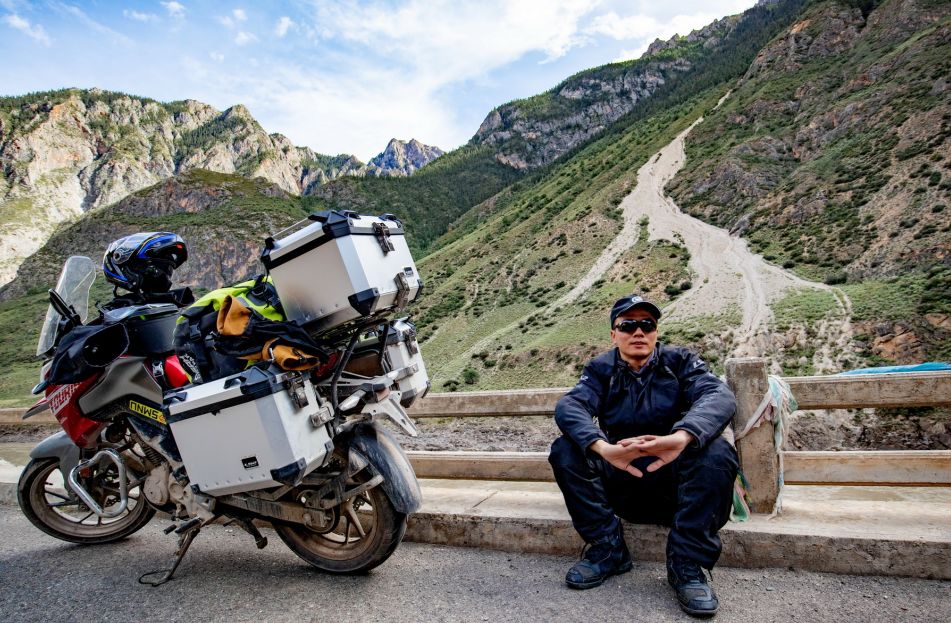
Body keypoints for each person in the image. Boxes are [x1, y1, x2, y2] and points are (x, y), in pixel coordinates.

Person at [548, 294, 739, 617]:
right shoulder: (600, 370)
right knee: (565, 450)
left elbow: (717, 395)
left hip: (676, 490)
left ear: (656, 331)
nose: (638, 332)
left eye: (646, 324)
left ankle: (687, 563)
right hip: (622, 483)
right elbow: (571, 406)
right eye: (628, 325)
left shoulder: (681, 362)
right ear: (614, 334)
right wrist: (603, 448)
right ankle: (608, 550)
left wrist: (681, 437)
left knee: (718, 451)